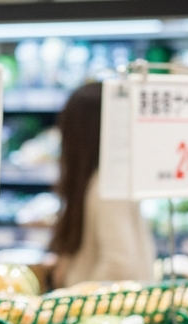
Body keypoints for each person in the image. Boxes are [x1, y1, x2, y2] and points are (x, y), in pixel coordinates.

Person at [46, 82, 156, 290]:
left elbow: (120, 264)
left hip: (103, 313)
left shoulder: (109, 187)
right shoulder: (104, 180)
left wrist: (75, 302)